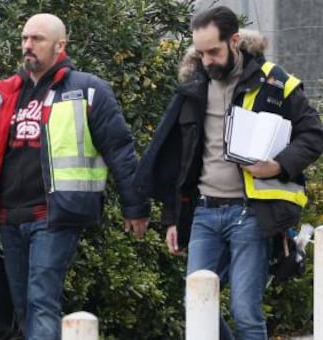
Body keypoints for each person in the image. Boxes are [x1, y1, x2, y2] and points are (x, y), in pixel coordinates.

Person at [133, 6, 323, 340]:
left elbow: (313, 136)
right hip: (205, 212)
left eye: (214, 52)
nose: (206, 60)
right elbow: (181, 160)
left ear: (234, 41)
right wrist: (174, 217)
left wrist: (278, 164)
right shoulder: (193, 89)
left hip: (251, 214)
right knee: (197, 305)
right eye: (200, 53)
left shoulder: (275, 83)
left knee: (246, 314)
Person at [0, 13, 150, 340]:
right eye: (24, 39)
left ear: (60, 45)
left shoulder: (87, 90)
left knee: (40, 300)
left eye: (37, 39)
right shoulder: (6, 94)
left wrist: (136, 207)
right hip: (9, 218)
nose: (27, 46)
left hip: (54, 215)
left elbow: (120, 150)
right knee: (21, 306)